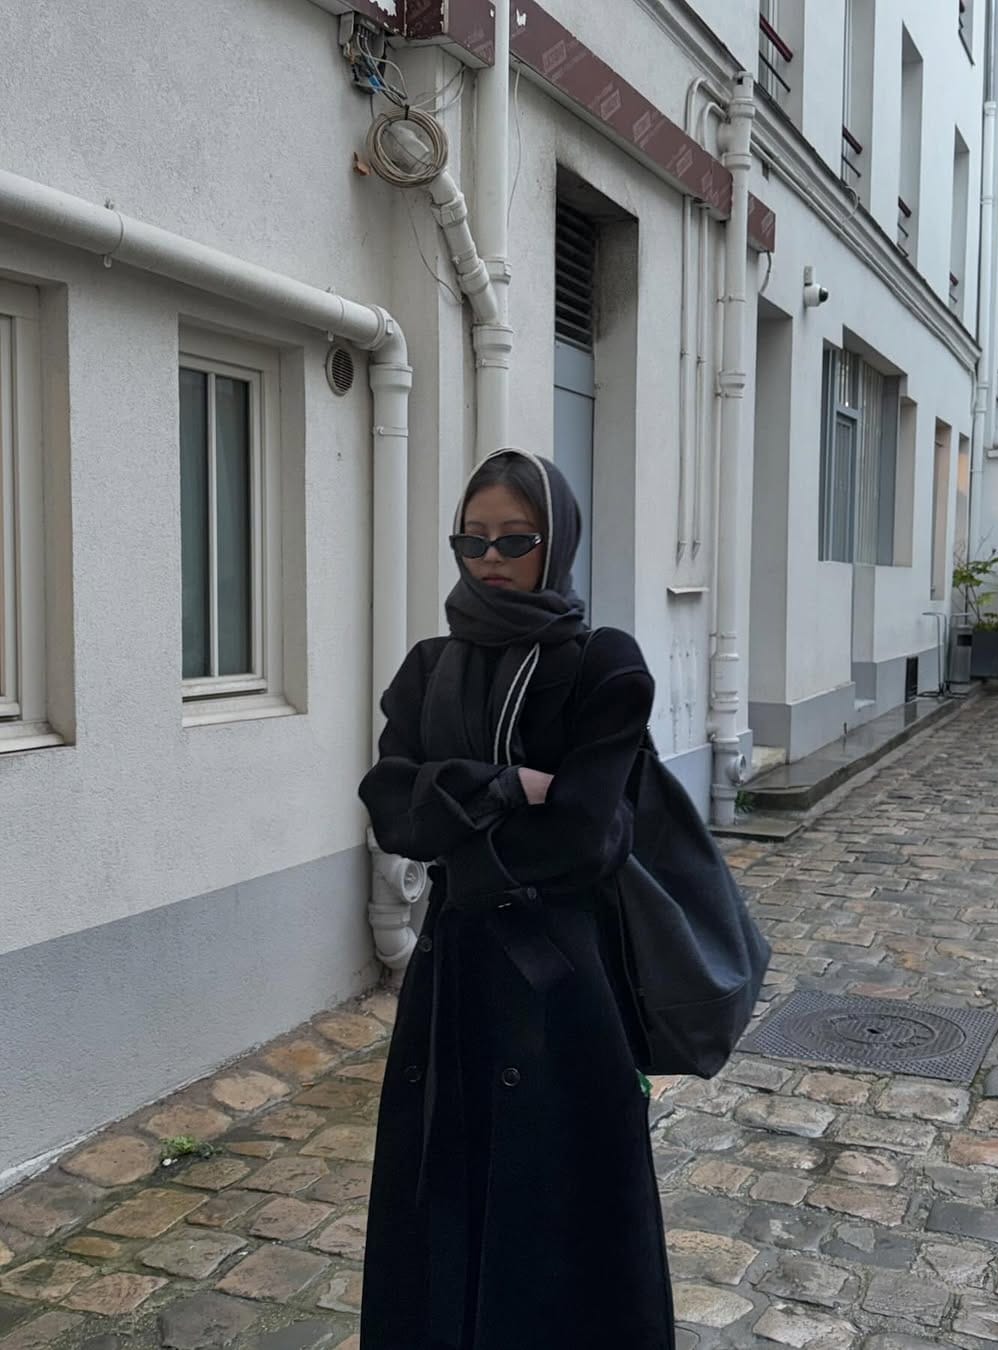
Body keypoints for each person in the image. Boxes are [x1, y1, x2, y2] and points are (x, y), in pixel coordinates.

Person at [358, 448, 675, 1350]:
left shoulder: (603, 665)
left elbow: (584, 839)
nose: (490, 559)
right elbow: (391, 811)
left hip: (562, 985)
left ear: (556, 541)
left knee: (560, 1212)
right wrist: (507, 787)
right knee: (444, 1195)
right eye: (473, 540)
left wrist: (452, 811)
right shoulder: (428, 668)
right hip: (453, 978)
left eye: (515, 539)